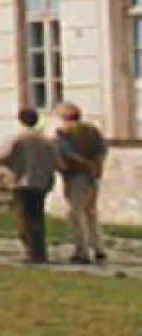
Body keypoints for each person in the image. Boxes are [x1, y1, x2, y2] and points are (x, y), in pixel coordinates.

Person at [0, 107, 58, 264]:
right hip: (42, 181)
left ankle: (31, 251)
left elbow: (2, 157)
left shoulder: (17, 139)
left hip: (22, 182)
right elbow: (55, 160)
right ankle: (40, 251)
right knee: (38, 217)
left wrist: (12, 167)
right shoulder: (47, 140)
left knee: (25, 219)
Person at [54, 103, 112, 266]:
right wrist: (96, 167)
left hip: (75, 175)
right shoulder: (92, 130)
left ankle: (82, 249)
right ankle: (99, 247)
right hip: (92, 176)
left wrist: (78, 163)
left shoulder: (64, 133)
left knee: (76, 212)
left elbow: (64, 152)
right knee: (91, 212)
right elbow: (102, 150)